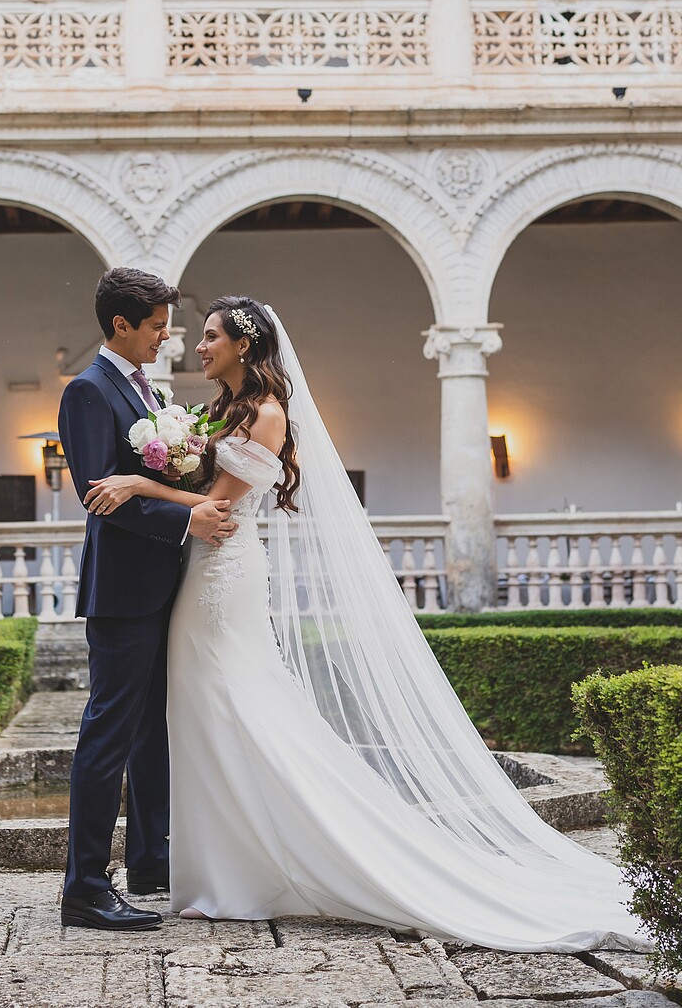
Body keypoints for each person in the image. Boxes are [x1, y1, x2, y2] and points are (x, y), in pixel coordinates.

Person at [79, 295, 651, 953]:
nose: (197, 346)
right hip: (199, 574)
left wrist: (140, 485)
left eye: (210, 337)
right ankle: (222, 868)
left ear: (244, 345)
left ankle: (281, 860)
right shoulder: (215, 412)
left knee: (235, 704)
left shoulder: (266, 414)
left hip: (224, 576)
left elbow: (217, 506)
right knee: (206, 712)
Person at [57, 268, 237, 933]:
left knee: (154, 732)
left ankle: (150, 860)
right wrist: (189, 519)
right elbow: (103, 497)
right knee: (108, 736)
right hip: (123, 592)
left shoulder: (147, 388)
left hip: (165, 584)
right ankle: (83, 889)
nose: (168, 334)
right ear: (121, 326)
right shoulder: (87, 391)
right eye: (159, 324)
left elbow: (146, 478)